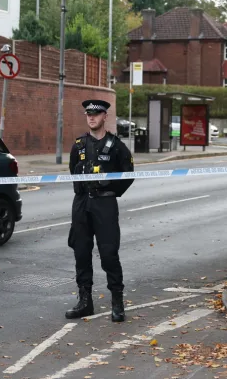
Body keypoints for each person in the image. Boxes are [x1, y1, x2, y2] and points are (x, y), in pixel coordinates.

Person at [65, 99, 135, 323]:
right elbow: (73, 170)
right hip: (82, 203)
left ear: (105, 116)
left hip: (104, 205)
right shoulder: (79, 145)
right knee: (81, 252)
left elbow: (128, 174)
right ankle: (85, 301)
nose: (91, 117)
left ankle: (117, 302)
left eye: (96, 114)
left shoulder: (116, 146)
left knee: (109, 253)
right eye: (88, 114)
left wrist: (111, 191)